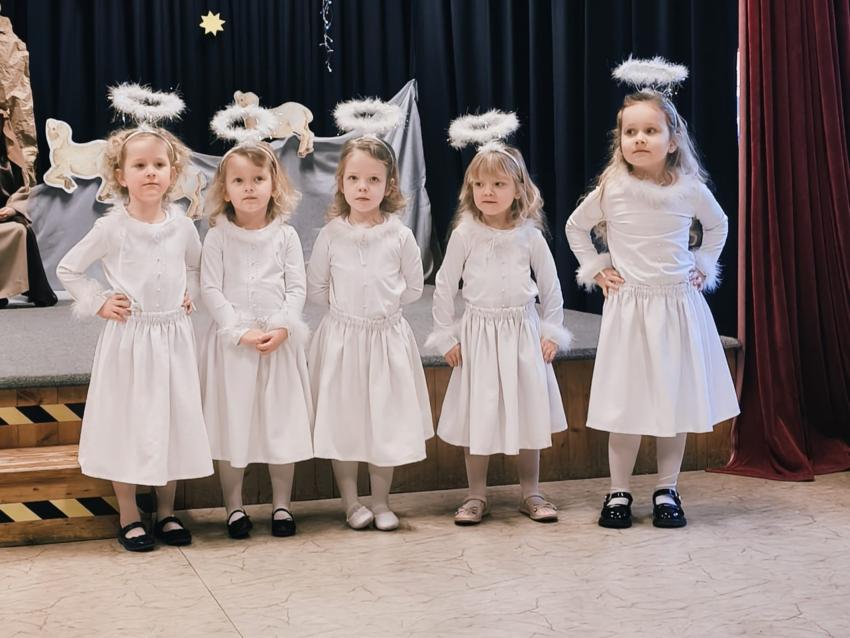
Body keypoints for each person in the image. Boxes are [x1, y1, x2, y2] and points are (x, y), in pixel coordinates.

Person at [565, 88, 739, 529]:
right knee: (626, 404)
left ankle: (667, 488)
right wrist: (597, 268)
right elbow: (575, 227)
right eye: (630, 132)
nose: (639, 139)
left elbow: (718, 225)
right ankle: (618, 490)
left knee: (672, 402)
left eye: (650, 130)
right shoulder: (612, 190)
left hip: (677, 308)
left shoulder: (690, 190)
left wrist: (703, 263)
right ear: (620, 140)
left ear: (673, 139)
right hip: (631, 311)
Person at [56, 125, 212, 551]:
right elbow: (69, 269)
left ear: (173, 172)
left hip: (173, 338)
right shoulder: (112, 228)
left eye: (159, 164)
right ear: (120, 175)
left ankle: (167, 511)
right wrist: (99, 301)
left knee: (170, 418)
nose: (150, 172)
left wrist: (189, 292)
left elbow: (196, 267)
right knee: (127, 421)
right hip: (130, 340)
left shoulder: (183, 226)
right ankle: (128, 513)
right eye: (139, 165)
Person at [427, 138, 571, 526]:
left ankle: (531, 492)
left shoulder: (530, 236)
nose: (487, 192)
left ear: (518, 189)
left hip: (522, 332)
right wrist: (446, 335)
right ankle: (476, 495)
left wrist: (552, 331)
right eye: (479, 184)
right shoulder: (465, 234)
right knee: (480, 413)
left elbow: (551, 285)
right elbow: (445, 285)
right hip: (479, 335)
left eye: (498, 184)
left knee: (527, 410)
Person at [307, 136, 433, 531]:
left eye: (373, 179)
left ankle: (381, 501)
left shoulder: (399, 235)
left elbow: (414, 287)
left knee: (385, 421)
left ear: (389, 185)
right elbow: (317, 288)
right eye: (354, 179)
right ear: (341, 183)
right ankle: (351, 502)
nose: (363, 187)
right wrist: (348, 316)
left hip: (386, 340)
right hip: (343, 340)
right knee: (344, 421)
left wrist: (383, 310)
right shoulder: (331, 234)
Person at [200, 141, 313, 539]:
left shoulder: (286, 236)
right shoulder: (218, 237)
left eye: (258, 179)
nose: (249, 187)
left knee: (279, 424)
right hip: (235, 347)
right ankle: (234, 507)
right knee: (235, 424)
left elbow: (297, 288)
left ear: (274, 184)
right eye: (239, 181)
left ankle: (282, 505)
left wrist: (283, 326)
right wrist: (237, 330)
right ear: (225, 189)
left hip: (277, 343)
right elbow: (210, 289)